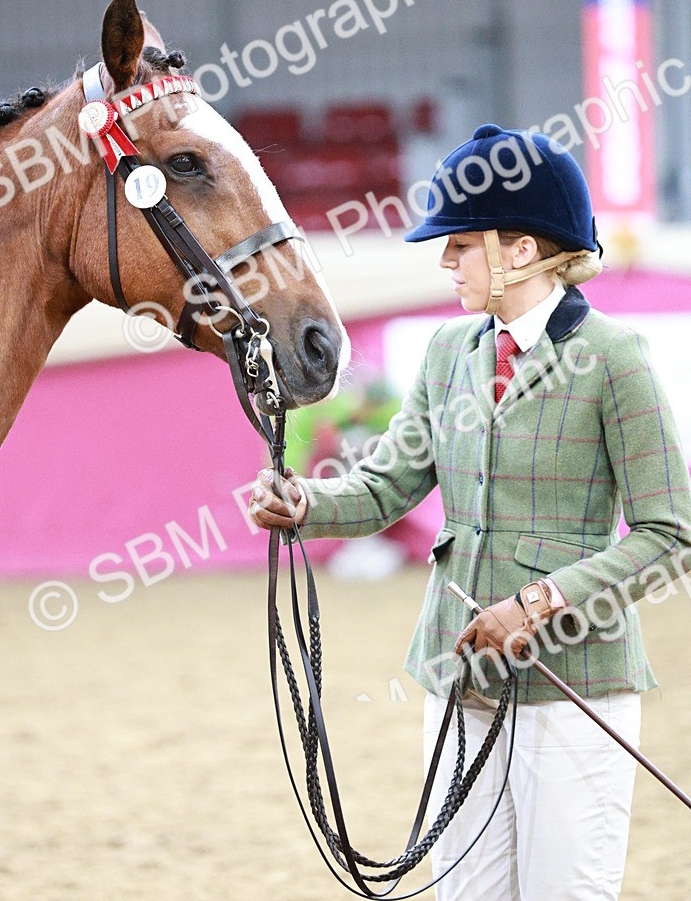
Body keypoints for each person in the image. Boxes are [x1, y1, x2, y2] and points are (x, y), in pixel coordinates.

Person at [249, 122, 691, 901]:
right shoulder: (450, 352)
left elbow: (670, 536)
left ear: (520, 249)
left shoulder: (616, 359)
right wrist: (302, 504)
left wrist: (540, 602)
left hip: (575, 686)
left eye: (459, 244)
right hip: (461, 679)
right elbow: (386, 486)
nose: (444, 260)